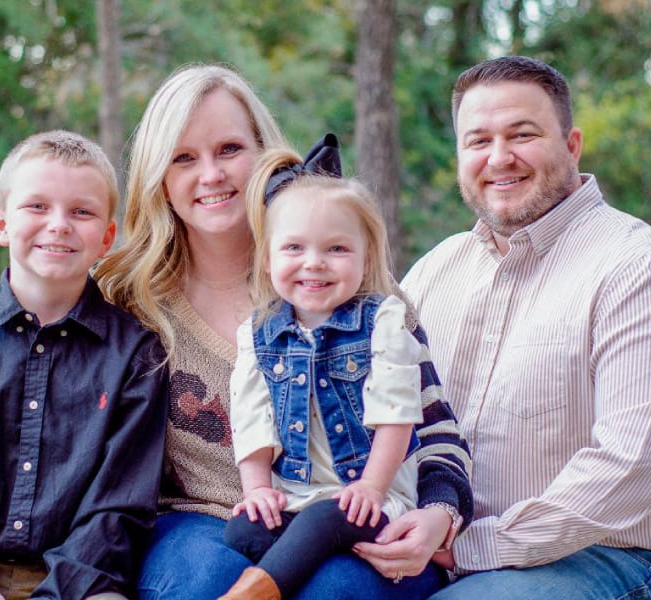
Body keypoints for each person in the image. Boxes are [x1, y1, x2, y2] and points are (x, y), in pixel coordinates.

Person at [95, 64, 472, 600]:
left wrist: (440, 513)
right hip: (208, 520)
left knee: (337, 590)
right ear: (158, 178)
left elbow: (435, 430)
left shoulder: (357, 292)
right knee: (203, 582)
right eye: (184, 158)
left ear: (264, 154)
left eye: (229, 149)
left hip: (356, 515)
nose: (211, 175)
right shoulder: (131, 304)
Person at [395, 55, 651, 599]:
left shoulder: (640, 269)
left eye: (522, 134)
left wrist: (474, 546)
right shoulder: (432, 272)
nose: (499, 157)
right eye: (477, 141)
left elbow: (630, 469)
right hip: (445, 548)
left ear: (572, 144)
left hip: (628, 560)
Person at [0, 130, 170, 600]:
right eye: (37, 207)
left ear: (106, 236)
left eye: (81, 211)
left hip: (80, 582)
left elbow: (119, 509)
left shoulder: (135, 356)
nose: (59, 225)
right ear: (1, 223)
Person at [218, 140, 471, 600]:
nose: (313, 263)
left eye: (336, 248)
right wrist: (257, 491)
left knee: (331, 517)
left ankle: (252, 592)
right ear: (269, 258)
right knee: (243, 532)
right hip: (297, 495)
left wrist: (372, 488)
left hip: (368, 495)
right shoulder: (257, 334)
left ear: (365, 258)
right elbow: (252, 420)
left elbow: (397, 417)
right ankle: (313, 556)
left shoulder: (383, 324)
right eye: (294, 247)